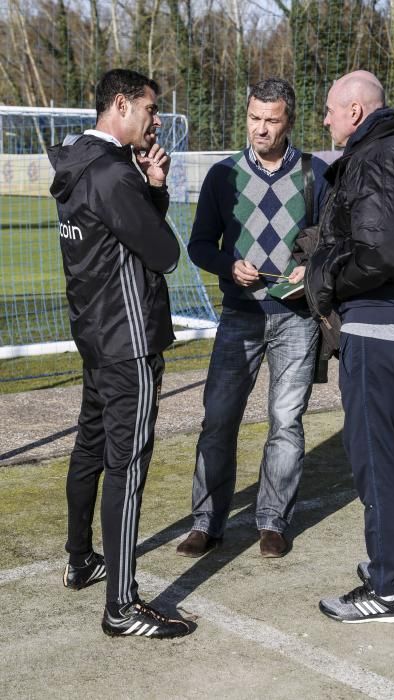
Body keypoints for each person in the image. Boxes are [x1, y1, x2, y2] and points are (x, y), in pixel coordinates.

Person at [48, 69, 191, 639]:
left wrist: (148, 184)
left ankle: (80, 559)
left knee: (89, 447)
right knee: (125, 463)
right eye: (151, 110)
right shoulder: (112, 174)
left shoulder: (77, 162)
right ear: (122, 105)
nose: (155, 121)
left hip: (95, 333)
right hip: (127, 341)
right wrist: (155, 188)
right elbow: (164, 252)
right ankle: (122, 607)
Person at [305, 70, 394, 623]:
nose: (324, 119)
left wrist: (322, 279)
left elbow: (379, 254)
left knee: (373, 464)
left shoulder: (371, 160)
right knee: (380, 456)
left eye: (330, 109)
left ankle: (387, 591)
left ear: (356, 112)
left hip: (376, 327)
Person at [176, 77, 328, 559]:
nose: (260, 129)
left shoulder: (316, 174)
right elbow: (199, 244)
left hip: (297, 319)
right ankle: (206, 522)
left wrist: (312, 266)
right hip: (239, 316)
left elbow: (334, 241)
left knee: (285, 422)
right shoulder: (222, 176)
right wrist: (228, 265)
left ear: (289, 121)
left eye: (271, 120)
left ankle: (273, 521)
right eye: (254, 118)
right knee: (218, 420)